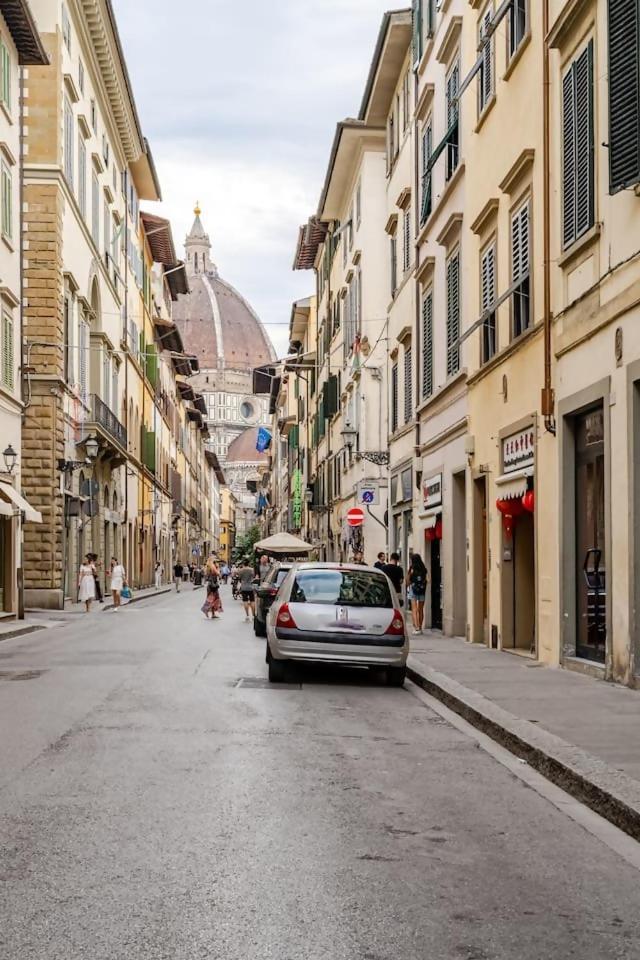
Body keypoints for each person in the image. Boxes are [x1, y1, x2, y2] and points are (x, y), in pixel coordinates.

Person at [406, 553, 428, 635]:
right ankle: (420, 627)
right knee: (421, 609)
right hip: (422, 590)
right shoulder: (424, 569)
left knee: (414, 609)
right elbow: (428, 580)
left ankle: (416, 628)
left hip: (413, 590)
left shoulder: (411, 569)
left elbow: (407, 582)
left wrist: (410, 575)